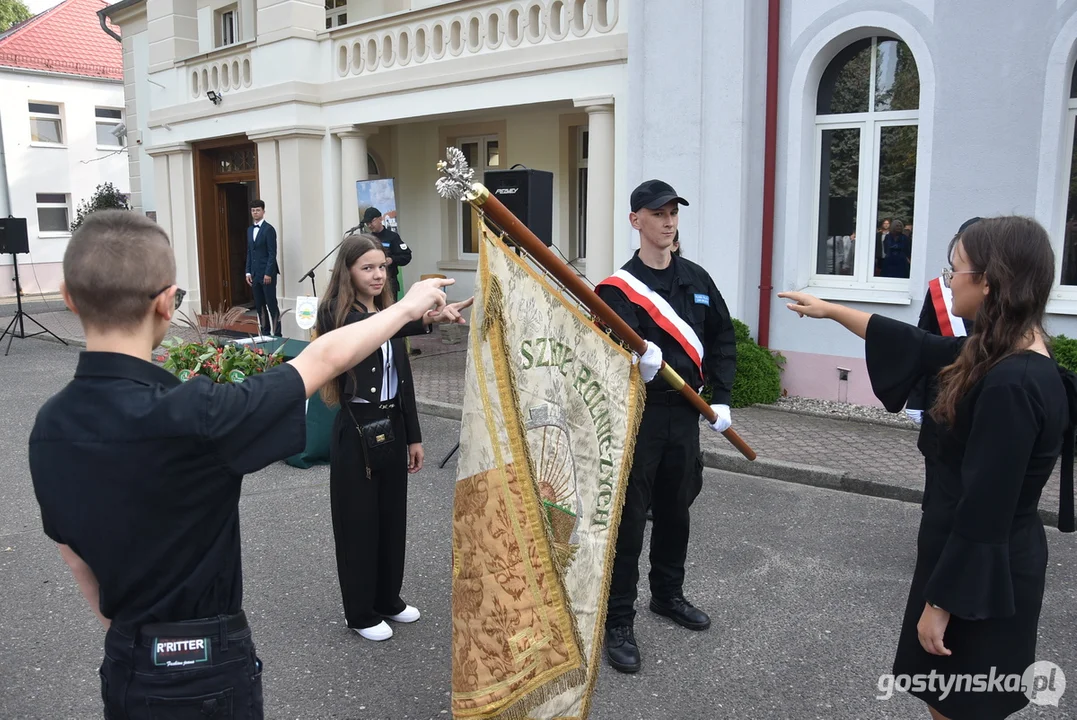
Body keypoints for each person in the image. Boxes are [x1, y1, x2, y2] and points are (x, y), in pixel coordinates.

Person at [27, 210, 456, 718]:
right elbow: (321, 360)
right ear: (168, 302)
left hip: (128, 661)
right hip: (212, 665)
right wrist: (406, 307)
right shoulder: (203, 412)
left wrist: (137, 642)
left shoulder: (48, 427)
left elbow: (76, 558)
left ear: (68, 298)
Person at [779, 215, 1076, 720]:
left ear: (989, 280)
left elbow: (986, 510)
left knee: (963, 706)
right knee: (949, 702)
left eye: (954, 268)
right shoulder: (999, 352)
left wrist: (941, 604)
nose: (946, 279)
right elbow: (915, 345)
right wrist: (831, 310)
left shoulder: (1012, 385)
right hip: (967, 563)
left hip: (980, 574)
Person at [595, 179, 737, 674]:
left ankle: (667, 595)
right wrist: (633, 366)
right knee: (631, 520)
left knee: (677, 509)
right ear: (636, 220)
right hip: (639, 418)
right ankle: (618, 621)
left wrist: (722, 399)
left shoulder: (696, 278)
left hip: (688, 416)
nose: (669, 220)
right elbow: (595, 357)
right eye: (658, 213)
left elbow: (722, 337)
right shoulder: (616, 290)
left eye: (674, 211)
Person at [316, 234, 472, 641]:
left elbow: (404, 381)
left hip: (393, 426)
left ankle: (387, 598)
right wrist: (414, 317)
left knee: (390, 519)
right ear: (348, 271)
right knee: (358, 524)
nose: (377, 274)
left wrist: (414, 437)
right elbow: (364, 333)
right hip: (356, 427)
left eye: (382, 266)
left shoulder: (388, 312)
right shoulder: (337, 311)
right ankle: (359, 612)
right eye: (367, 267)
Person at [245, 199, 282, 337]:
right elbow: (249, 251)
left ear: (263, 211)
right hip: (255, 273)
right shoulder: (249, 230)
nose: (255, 212)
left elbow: (272, 253)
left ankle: (277, 334)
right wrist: (248, 271)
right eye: (253, 210)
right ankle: (265, 333)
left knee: (271, 304)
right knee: (259, 305)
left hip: (268, 274)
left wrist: (268, 273)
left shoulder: (269, 229)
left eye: (258, 210)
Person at [363, 206, 412, 300]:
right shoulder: (367, 239)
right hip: (371, 283)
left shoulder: (392, 237)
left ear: (380, 219)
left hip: (389, 283)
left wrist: (392, 260)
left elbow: (406, 256)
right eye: (367, 223)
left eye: (371, 221)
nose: (369, 225)